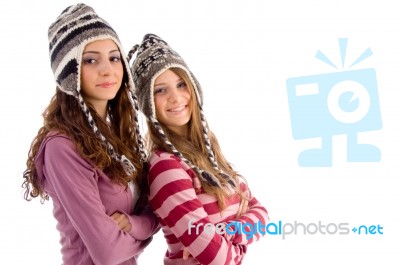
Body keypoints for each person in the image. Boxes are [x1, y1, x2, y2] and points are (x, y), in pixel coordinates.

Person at [22, 4, 158, 265]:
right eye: (90, 60)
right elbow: (107, 253)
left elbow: (152, 212)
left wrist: (131, 225)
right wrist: (147, 233)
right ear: (68, 73)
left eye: (114, 57)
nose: (107, 70)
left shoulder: (118, 139)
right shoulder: (63, 147)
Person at [128, 33, 269, 265]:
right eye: (160, 90)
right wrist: (240, 248)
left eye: (181, 84)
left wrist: (225, 232)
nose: (176, 97)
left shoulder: (210, 156)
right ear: (148, 104)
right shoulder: (165, 166)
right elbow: (218, 258)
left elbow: (261, 214)